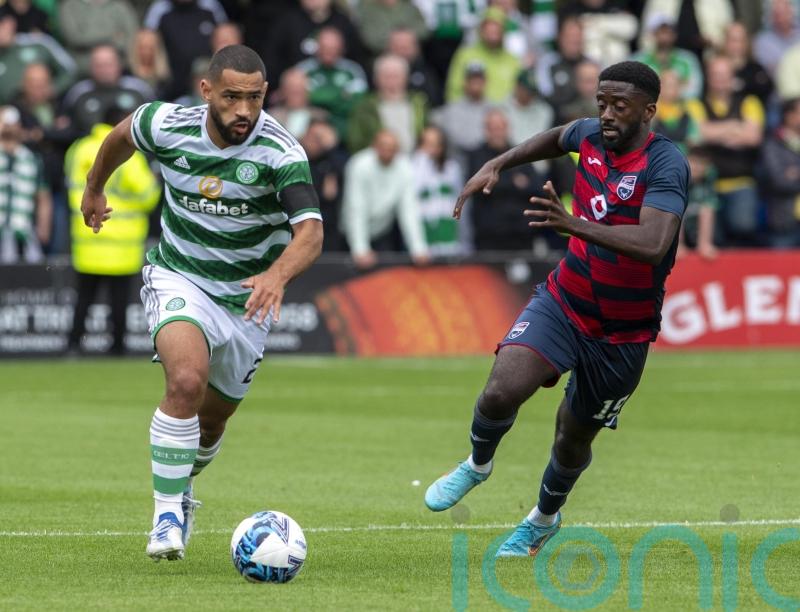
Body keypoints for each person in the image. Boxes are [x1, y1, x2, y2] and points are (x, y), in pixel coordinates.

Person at [424, 61, 689, 558]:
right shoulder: (590, 135)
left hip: (623, 333)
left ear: (649, 111)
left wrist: (574, 224)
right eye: (602, 103)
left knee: (572, 436)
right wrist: (499, 163)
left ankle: (542, 520)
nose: (606, 115)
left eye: (620, 106)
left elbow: (654, 243)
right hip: (566, 300)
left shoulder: (665, 164)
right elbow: (554, 137)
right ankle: (477, 464)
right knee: (502, 390)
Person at [78, 44, 324, 561]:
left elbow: (310, 233)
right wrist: (95, 187)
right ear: (206, 90)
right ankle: (166, 516)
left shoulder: (281, 152)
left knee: (211, 424)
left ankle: (183, 487)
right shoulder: (167, 123)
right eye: (232, 97)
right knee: (185, 380)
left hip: (246, 300)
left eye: (255, 98)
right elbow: (121, 135)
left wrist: (277, 275)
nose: (244, 111)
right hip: (179, 276)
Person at [65, 106, 160, 355]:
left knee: (83, 298)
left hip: (87, 238)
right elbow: (148, 195)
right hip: (121, 242)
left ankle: (73, 346)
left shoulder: (79, 148)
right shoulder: (127, 154)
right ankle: (117, 347)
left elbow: (71, 182)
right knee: (118, 301)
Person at [341, 129, 428, 269]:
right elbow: (355, 209)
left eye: (392, 149)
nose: (387, 152)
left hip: (382, 233)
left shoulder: (405, 167)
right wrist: (360, 249)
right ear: (374, 146)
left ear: (397, 150)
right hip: (350, 234)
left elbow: (409, 210)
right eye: (383, 147)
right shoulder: (359, 165)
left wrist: (418, 248)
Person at [0, 105, 51, 263]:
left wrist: (44, 227)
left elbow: (43, 196)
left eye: (12, 122)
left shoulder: (31, 159)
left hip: (23, 229)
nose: (7, 126)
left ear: (20, 126)